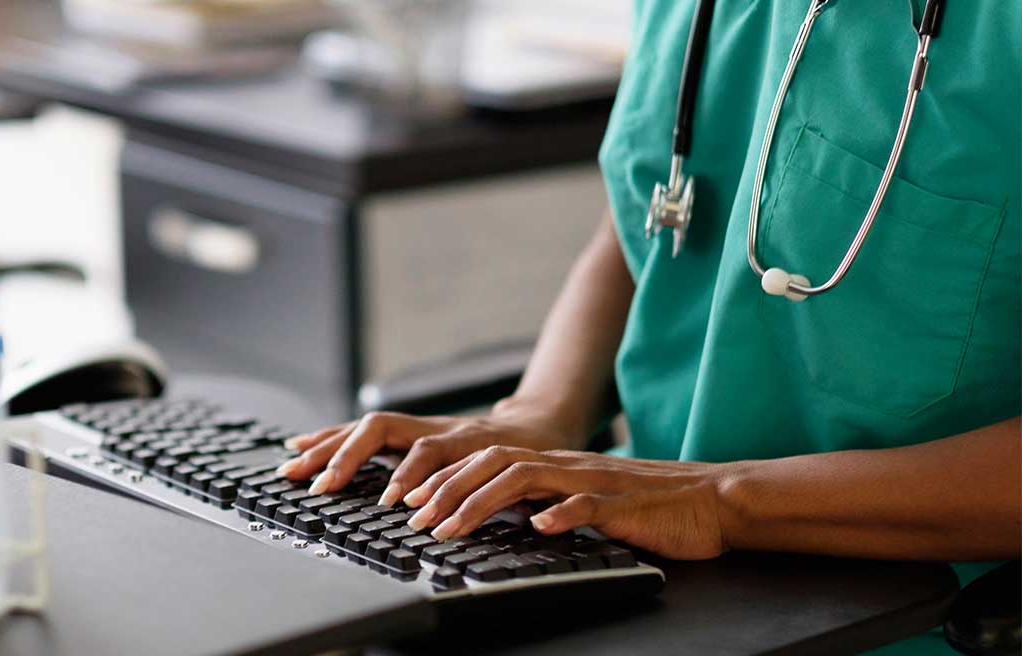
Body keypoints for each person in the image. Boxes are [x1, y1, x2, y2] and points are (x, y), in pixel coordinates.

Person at [280, 1, 1020, 652]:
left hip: (899, 614)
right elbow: (656, 214)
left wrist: (720, 499)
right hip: (632, 555)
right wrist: (541, 413)